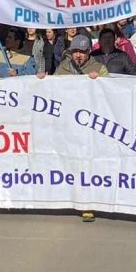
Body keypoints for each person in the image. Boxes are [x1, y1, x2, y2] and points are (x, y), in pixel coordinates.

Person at [54, 34, 108, 223]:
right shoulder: (62, 68)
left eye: (82, 52)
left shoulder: (99, 69)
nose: (78, 55)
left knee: (88, 164)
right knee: (70, 163)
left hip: (91, 126)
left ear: (88, 53)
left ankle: (88, 204)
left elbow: (109, 95)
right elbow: (52, 91)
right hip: (68, 123)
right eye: (75, 51)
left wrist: (99, 82)